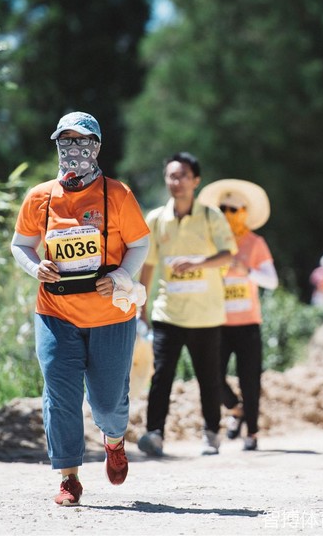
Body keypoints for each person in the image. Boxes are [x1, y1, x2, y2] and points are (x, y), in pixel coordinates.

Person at [11, 111, 151, 506]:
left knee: (107, 403)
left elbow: (140, 244)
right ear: (57, 144)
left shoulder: (118, 194)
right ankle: (68, 477)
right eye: (66, 140)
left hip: (111, 315)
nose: (74, 148)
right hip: (55, 312)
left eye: (83, 141)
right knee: (60, 394)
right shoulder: (40, 197)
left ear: (97, 146)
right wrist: (36, 267)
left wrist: (121, 275)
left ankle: (114, 440)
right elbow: (20, 244)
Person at [137, 152, 237, 457]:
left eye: (182, 176)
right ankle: (154, 434)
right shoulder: (156, 219)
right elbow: (148, 265)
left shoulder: (211, 216)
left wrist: (199, 262)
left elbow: (228, 253)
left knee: (209, 378)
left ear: (196, 181)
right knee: (161, 375)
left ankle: (211, 433)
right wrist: (141, 308)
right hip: (167, 312)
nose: (176, 181)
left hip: (206, 314)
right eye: (171, 175)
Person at [198, 178, 279, 452]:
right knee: (213, 376)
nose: (228, 214)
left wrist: (248, 271)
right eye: (223, 209)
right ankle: (235, 408)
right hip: (217, 322)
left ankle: (252, 432)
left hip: (247, 324)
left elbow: (272, 281)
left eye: (234, 209)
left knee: (250, 380)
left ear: (244, 212)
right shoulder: (212, 243)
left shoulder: (255, 243)